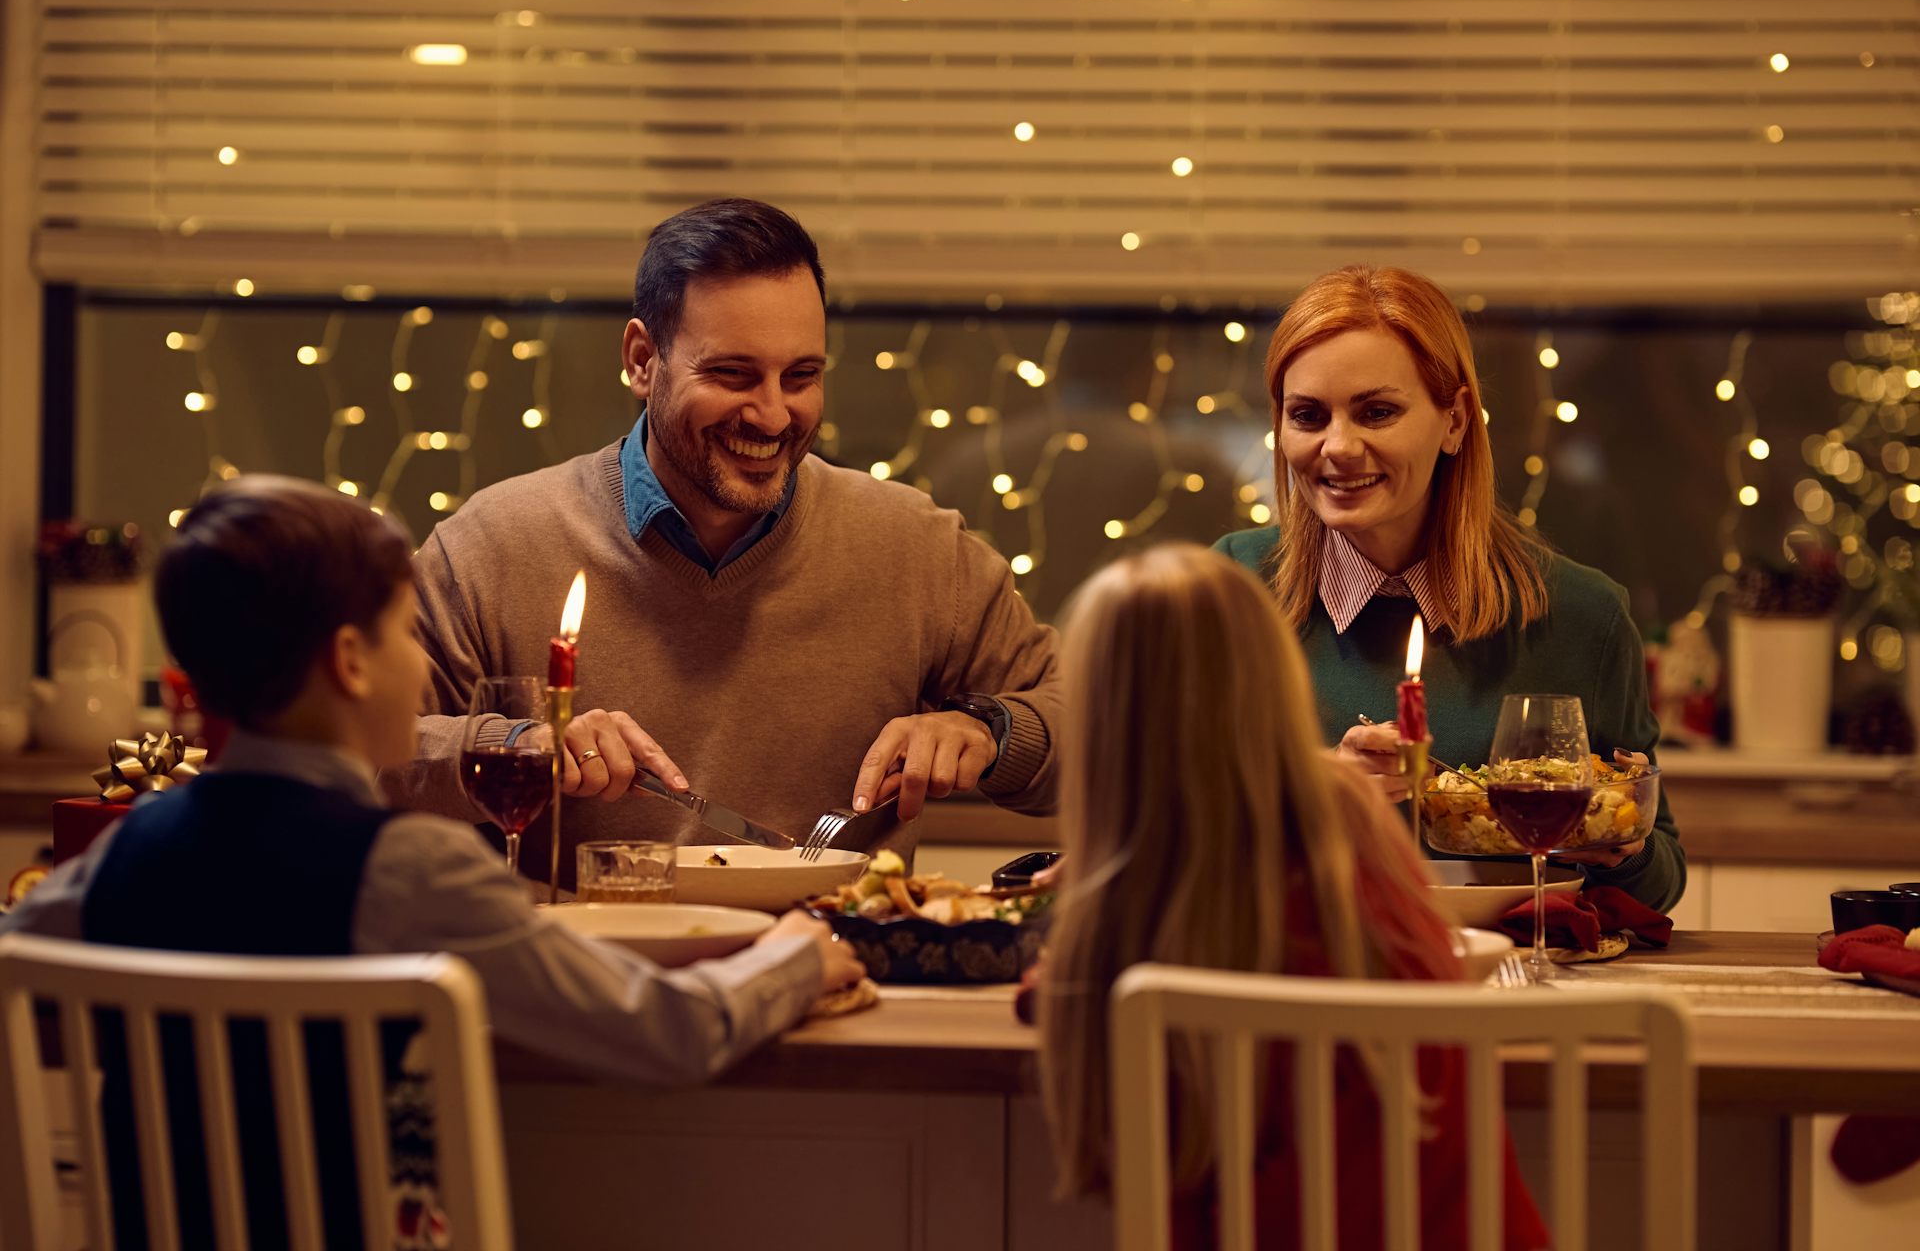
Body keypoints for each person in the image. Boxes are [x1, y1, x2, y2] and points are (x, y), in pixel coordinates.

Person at [4, 477, 864, 1245]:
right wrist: (795, 957)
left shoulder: (127, 851)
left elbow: (19, 944)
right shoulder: (408, 870)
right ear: (349, 662)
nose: (421, 669)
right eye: (399, 636)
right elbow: (665, 1033)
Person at [389, 198, 1059, 884]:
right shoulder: (491, 547)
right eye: (733, 375)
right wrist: (516, 747)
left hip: (842, 975)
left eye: (801, 376)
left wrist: (987, 730)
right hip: (589, 977)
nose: (773, 416)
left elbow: (1099, 721)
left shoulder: (916, 547)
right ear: (643, 360)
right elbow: (348, 752)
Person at [1037, 544, 1548, 1251]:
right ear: (1274, 682)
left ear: (1102, 732)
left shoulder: (1127, 915)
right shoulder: (1349, 831)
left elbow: (1045, 1001)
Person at [1214, 265, 1684, 911]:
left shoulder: (1582, 616)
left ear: (1456, 421)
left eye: (1378, 412)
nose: (1339, 446)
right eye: (1308, 415)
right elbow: (1161, 829)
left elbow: (1660, 887)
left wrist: (1621, 846)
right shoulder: (1233, 593)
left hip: (1506, 987)